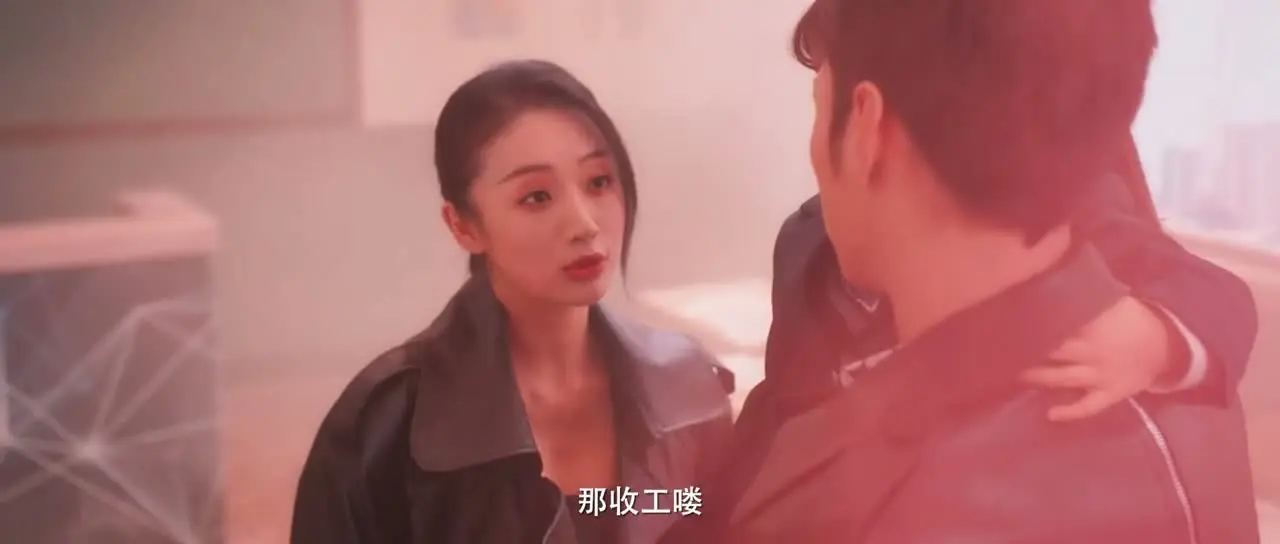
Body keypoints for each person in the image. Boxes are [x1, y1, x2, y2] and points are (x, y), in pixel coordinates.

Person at [666, 0, 1261, 542]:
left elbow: (1218, 300)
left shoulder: (990, 475)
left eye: (821, 106)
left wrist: (1157, 343)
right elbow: (774, 427)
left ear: (868, 128)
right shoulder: (812, 244)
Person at [289, 60, 735, 544]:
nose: (584, 224)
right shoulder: (385, 428)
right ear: (463, 226)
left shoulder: (688, 391)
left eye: (599, 182)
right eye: (537, 197)